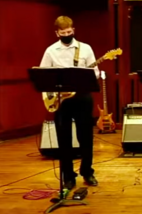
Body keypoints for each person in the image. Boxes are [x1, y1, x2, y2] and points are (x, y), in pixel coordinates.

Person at [39, 16, 99, 189]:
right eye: (63, 33)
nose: (67, 34)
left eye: (69, 32)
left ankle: (87, 172)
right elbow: (43, 75)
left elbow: (95, 72)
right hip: (61, 100)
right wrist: (54, 91)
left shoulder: (85, 49)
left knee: (86, 137)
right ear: (57, 33)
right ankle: (68, 177)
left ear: (74, 30)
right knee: (63, 139)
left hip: (82, 97)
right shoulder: (51, 51)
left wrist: (85, 75)